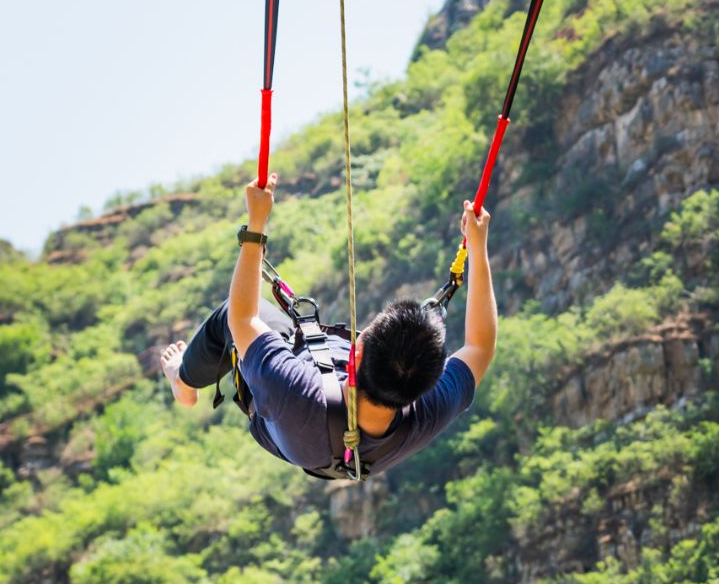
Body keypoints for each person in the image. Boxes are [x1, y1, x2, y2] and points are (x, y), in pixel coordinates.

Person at [160, 172, 497, 479]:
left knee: (226, 316)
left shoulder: (294, 389)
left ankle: (183, 381)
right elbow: (480, 347)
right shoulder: (427, 411)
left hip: (296, 417)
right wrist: (477, 249)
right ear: (430, 384)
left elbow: (242, 317)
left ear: (359, 349)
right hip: (329, 426)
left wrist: (256, 224)